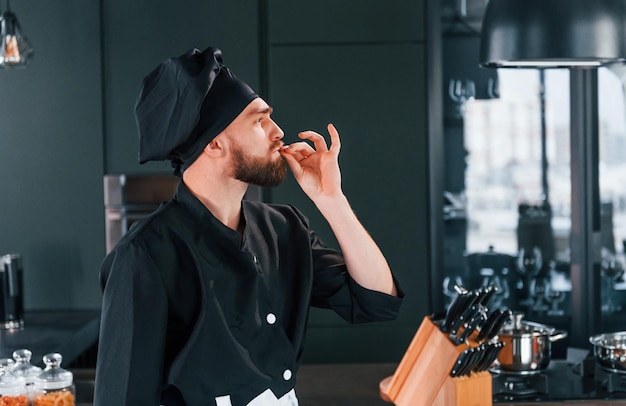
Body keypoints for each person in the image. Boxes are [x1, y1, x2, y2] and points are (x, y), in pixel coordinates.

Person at [94, 46, 403, 406]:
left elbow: (378, 302)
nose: (278, 131)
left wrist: (331, 200)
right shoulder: (144, 256)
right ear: (214, 143)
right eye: (259, 120)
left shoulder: (285, 229)